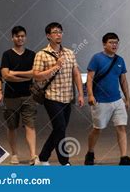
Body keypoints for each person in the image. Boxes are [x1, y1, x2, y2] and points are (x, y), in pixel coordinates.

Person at [33, 22, 84, 165]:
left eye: (60, 32)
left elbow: (76, 74)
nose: (58, 35)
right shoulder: (41, 55)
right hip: (52, 97)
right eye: (55, 32)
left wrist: (80, 94)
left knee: (59, 129)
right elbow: (36, 76)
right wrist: (55, 67)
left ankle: (43, 157)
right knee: (60, 128)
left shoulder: (69, 53)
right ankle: (65, 162)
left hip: (68, 98)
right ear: (48, 36)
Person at [84, 32, 130, 166]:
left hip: (117, 100)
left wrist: (127, 99)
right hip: (100, 101)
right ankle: (90, 153)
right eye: (111, 42)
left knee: (121, 127)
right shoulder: (97, 58)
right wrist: (90, 95)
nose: (114, 45)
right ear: (104, 44)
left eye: (116, 42)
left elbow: (123, 81)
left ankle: (124, 158)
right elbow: (89, 79)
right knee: (97, 128)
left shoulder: (120, 60)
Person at [0, 26, 38, 165]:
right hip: (11, 97)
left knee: (30, 125)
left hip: (29, 96)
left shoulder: (32, 54)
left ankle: (33, 155)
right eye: (17, 36)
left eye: (22, 36)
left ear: (25, 37)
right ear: (12, 38)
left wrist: (14, 73)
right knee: (11, 127)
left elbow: (35, 73)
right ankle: (14, 154)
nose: (20, 38)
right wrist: (25, 76)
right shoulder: (7, 54)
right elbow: (5, 75)